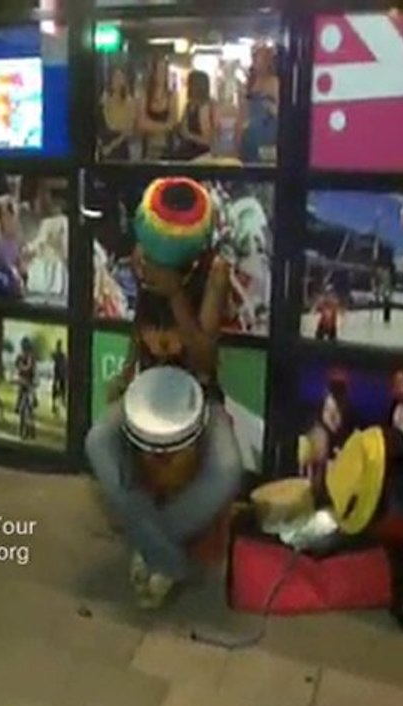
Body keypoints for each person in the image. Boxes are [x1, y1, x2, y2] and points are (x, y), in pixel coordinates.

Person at [85, 178, 243, 608]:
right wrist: (128, 369)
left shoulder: (214, 271)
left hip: (198, 396)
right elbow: (141, 322)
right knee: (98, 441)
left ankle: (151, 542)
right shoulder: (143, 257)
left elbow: (205, 359)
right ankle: (169, 559)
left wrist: (175, 293)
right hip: (147, 390)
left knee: (228, 470)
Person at [237, 44, 279, 164]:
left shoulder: (274, 83)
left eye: (260, 59)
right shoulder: (249, 84)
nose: (256, 62)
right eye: (254, 58)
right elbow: (242, 114)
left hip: (267, 134)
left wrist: (271, 107)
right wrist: (238, 137)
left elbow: (282, 112)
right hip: (249, 135)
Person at [137, 57, 176, 161]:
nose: (161, 74)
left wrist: (150, 125)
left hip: (167, 146)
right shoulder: (145, 94)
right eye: (159, 70)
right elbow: (141, 123)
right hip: (148, 146)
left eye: (164, 70)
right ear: (153, 73)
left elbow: (172, 123)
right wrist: (164, 126)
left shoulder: (171, 95)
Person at [98, 66, 136, 162]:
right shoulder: (104, 99)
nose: (117, 81)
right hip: (104, 143)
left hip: (120, 145)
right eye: (115, 77)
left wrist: (111, 147)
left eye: (120, 77)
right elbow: (101, 123)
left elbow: (129, 130)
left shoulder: (129, 102)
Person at [174, 70, 215, 161]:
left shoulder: (204, 107)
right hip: (186, 151)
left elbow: (207, 141)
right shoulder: (189, 105)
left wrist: (189, 136)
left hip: (200, 155)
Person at [51, 340, 67, 416]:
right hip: (57, 375)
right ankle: (54, 404)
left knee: (62, 389)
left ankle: (62, 401)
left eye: (59, 345)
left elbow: (64, 364)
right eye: (58, 345)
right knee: (55, 390)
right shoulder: (57, 354)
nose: (59, 347)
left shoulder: (61, 355)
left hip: (61, 375)